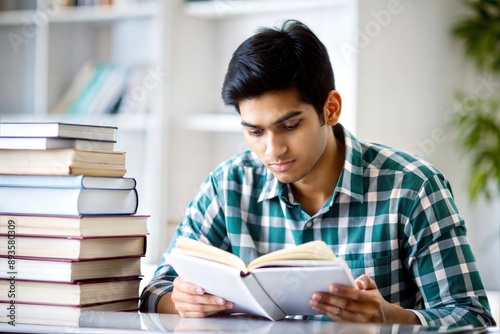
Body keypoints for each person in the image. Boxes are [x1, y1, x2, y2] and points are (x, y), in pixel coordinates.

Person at [140, 19, 495, 327]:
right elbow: (156, 290)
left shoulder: (413, 188)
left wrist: (391, 318)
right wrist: (180, 301)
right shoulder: (227, 186)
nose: (272, 150)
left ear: (331, 108)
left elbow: (471, 315)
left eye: (290, 125)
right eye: (255, 131)